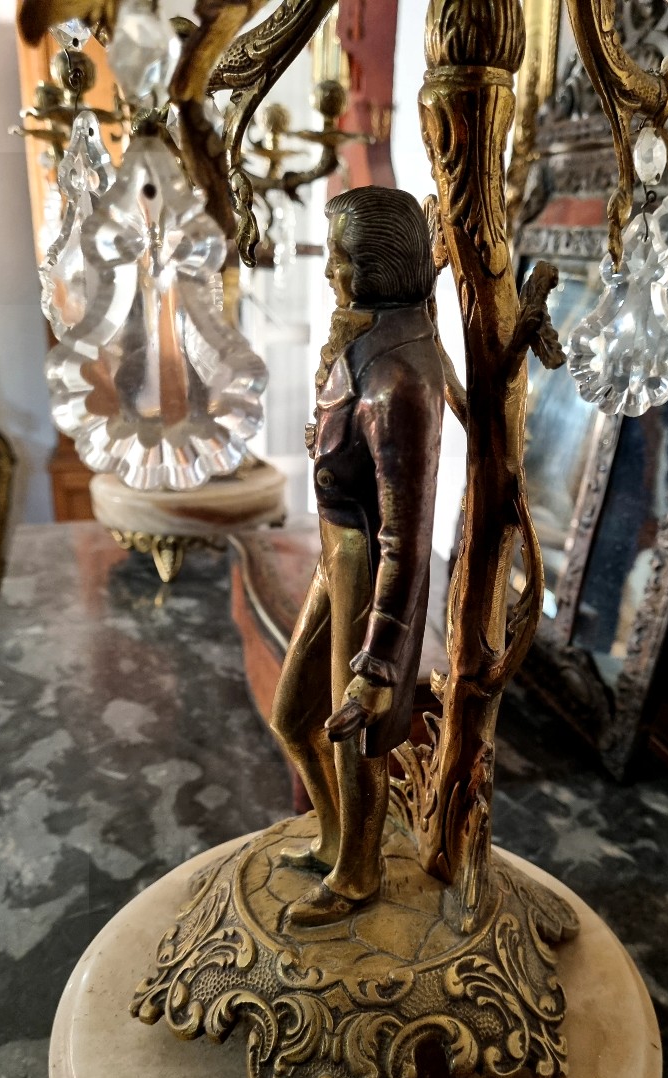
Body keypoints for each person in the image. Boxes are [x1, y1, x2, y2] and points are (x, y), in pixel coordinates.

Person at [270, 186, 445, 927]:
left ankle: (359, 875)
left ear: (376, 268)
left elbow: (408, 542)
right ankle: (335, 836)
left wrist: (378, 667)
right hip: (333, 558)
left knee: (358, 731)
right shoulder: (364, 340)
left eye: (341, 258)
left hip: (370, 571)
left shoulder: (397, 380)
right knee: (291, 719)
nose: (329, 272)